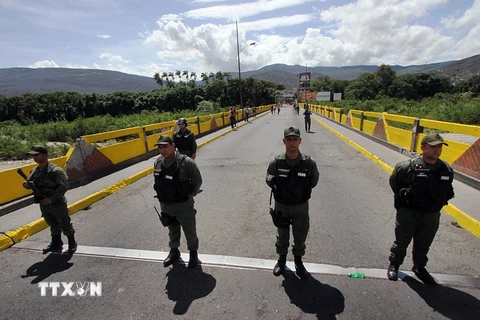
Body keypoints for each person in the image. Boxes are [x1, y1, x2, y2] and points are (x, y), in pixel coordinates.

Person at [387, 133, 454, 285]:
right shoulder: (406, 167)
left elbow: (447, 190)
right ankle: (394, 264)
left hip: (432, 214)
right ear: (423, 147)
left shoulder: (446, 169)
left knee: (424, 243)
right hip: (409, 212)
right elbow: (395, 183)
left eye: (439, 147)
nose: (436, 150)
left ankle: (419, 267)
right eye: (432, 147)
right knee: (401, 241)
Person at [265, 127, 320, 279]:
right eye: (289, 139)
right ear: (284, 141)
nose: (292, 143)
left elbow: (314, 180)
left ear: (300, 141)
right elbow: (269, 180)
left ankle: (298, 261)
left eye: (295, 139)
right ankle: (281, 260)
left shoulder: (308, 163)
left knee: (300, 234)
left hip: (300, 206)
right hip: (281, 205)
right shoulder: (276, 162)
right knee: (282, 234)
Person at [153, 135, 203, 268]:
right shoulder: (158, 162)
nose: (163, 150)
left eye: (165, 146)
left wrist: (186, 196)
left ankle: (193, 254)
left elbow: (197, 182)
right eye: (160, 147)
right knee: (172, 230)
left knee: (190, 230)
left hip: (183, 206)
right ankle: (174, 251)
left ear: (173, 145)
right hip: (166, 206)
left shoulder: (187, 162)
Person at [22, 145, 77, 254]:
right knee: (52, 223)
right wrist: (27, 185)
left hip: (57, 202)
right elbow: (32, 183)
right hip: (43, 203)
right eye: (33, 155)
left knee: (64, 222)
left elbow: (64, 186)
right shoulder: (35, 170)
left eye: (36, 155)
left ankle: (72, 242)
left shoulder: (55, 171)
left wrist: (51, 199)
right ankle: (56, 242)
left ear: (45, 155)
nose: (34, 157)